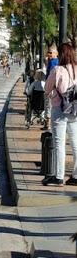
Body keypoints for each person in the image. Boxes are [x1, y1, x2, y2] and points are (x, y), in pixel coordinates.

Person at [43, 43, 77, 187]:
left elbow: (47, 88)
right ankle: (75, 176)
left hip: (59, 109)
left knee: (59, 143)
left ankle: (58, 177)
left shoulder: (57, 70)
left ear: (61, 54)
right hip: (75, 110)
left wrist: (52, 94)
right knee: (75, 143)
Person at [42, 46, 59, 130]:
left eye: (51, 53)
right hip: (54, 87)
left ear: (56, 54)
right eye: (48, 52)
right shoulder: (52, 61)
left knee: (48, 105)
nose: (49, 54)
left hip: (51, 87)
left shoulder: (53, 62)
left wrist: (48, 89)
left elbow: (51, 76)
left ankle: (47, 124)